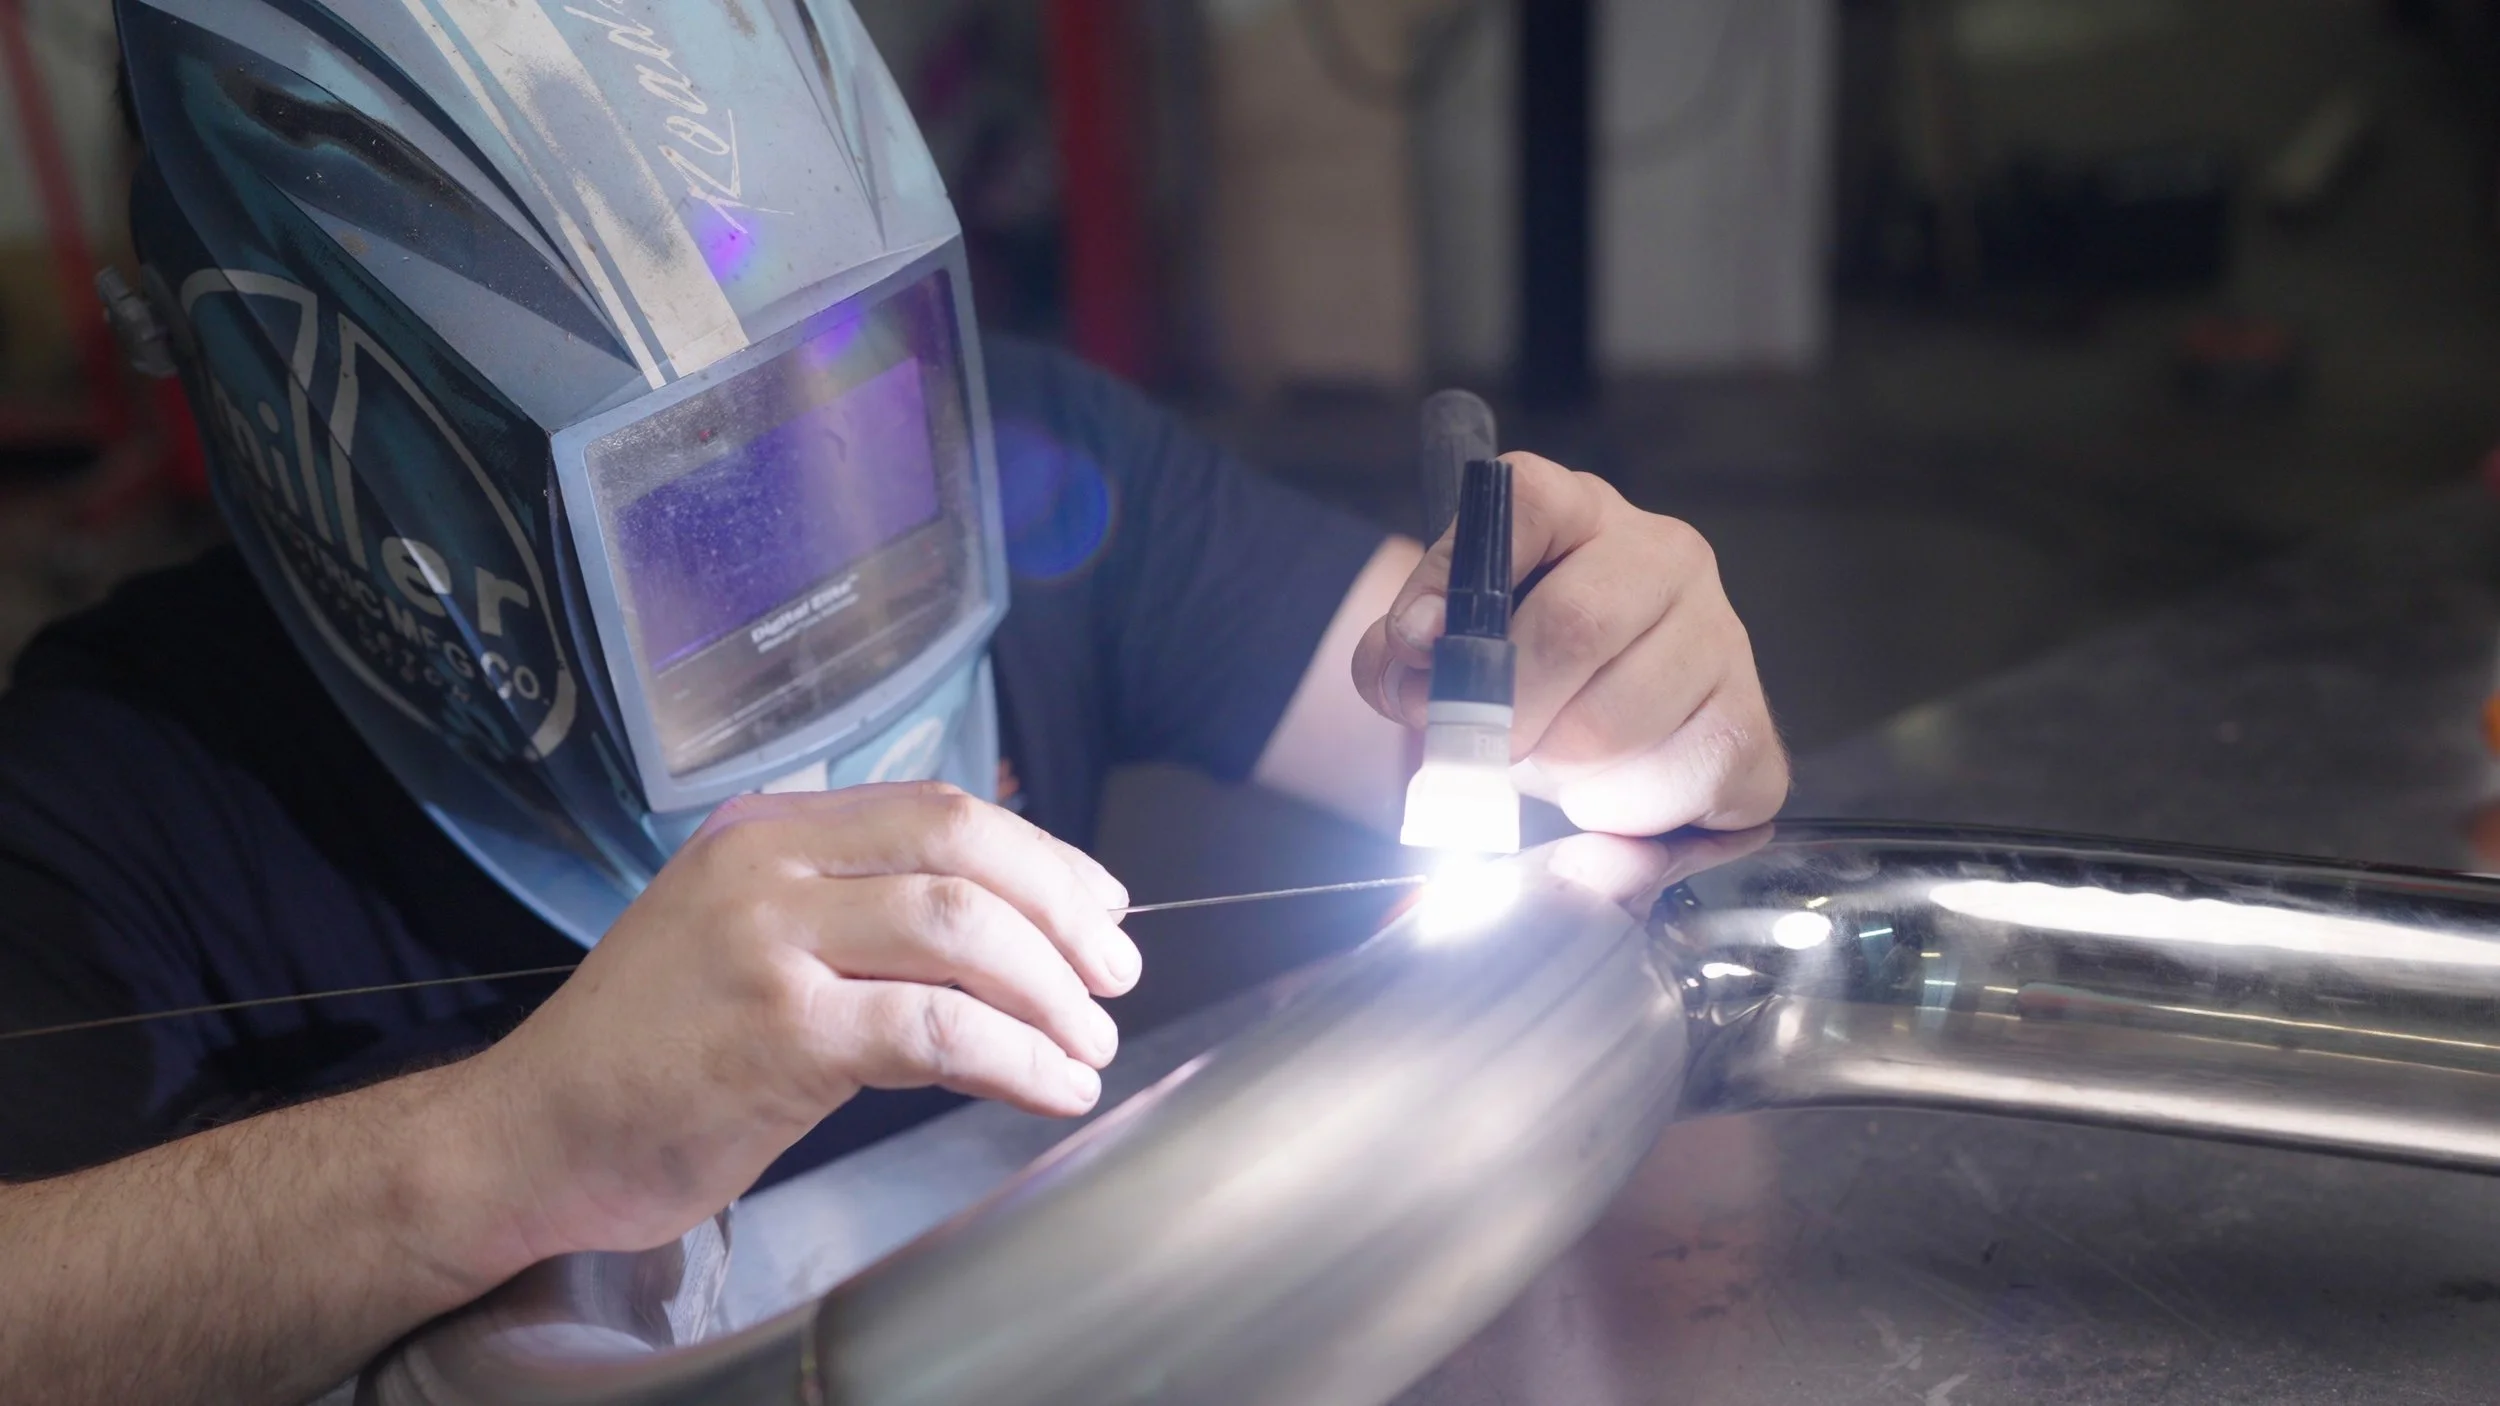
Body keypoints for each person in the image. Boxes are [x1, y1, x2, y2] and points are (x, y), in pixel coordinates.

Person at [0, 2, 1786, 1401]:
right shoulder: (126, 775)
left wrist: (1653, 711)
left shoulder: (1050, 471)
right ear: (370, 460)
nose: (824, 550)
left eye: (857, 404)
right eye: (705, 506)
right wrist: (513, 1149)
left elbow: (1509, 756)